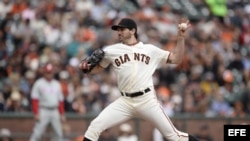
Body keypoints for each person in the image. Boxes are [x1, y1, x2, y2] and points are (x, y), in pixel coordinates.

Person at [79, 17, 199, 141]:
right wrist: (85, 68)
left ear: (132, 31)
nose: (119, 32)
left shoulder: (150, 50)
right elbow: (97, 68)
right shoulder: (111, 50)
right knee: (94, 126)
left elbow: (176, 59)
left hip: (146, 100)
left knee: (174, 136)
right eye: (118, 30)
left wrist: (181, 37)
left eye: (122, 29)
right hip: (125, 102)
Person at [30, 63, 66, 141]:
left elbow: (60, 101)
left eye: (50, 72)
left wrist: (62, 113)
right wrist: (36, 113)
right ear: (44, 72)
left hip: (55, 110)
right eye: (47, 72)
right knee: (37, 133)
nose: (49, 74)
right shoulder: (39, 83)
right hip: (43, 110)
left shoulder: (56, 84)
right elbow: (34, 99)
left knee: (58, 133)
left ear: (53, 72)